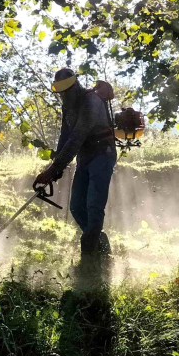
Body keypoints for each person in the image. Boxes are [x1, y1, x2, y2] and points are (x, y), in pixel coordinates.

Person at [33, 68, 117, 262]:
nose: (63, 94)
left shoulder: (91, 101)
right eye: (60, 91)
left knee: (94, 206)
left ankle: (89, 256)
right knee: (77, 207)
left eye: (66, 89)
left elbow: (78, 136)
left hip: (102, 156)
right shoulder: (67, 106)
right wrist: (55, 168)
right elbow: (65, 137)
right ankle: (101, 245)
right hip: (85, 158)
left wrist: (53, 170)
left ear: (74, 85)